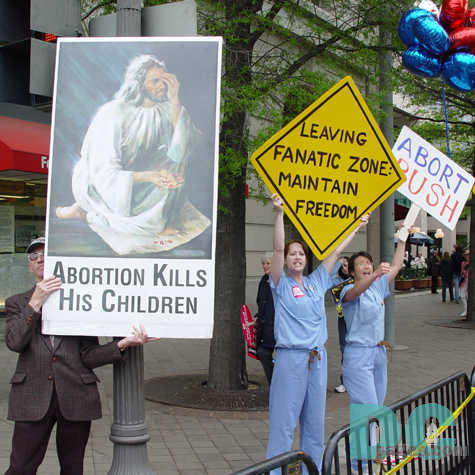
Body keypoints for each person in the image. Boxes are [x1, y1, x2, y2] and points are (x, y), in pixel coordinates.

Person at [4, 237, 157, 475]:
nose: (41, 259)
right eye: (34, 257)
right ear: (30, 267)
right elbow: (15, 342)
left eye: (46, 253)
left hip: (75, 395)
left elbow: (87, 355)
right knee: (21, 467)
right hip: (31, 397)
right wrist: (36, 301)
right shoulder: (17, 303)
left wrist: (122, 344)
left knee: (73, 468)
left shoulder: (79, 301)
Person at [56, 55, 207, 255]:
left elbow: (182, 149)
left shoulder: (165, 110)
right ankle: (85, 212)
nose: (161, 85)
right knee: (140, 232)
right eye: (154, 81)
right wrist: (149, 176)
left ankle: (155, 219)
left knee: (179, 166)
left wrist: (174, 100)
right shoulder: (115, 112)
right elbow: (104, 171)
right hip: (105, 185)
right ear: (138, 84)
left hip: (142, 180)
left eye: (164, 79)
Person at [266, 194, 369, 474]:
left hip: (318, 360)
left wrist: (357, 226)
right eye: (292, 254)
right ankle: (275, 471)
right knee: (284, 423)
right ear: (286, 260)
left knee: (314, 423)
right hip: (290, 360)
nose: (297, 257)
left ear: (306, 258)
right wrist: (279, 213)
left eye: (301, 253)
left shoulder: (316, 282)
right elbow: (276, 248)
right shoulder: (280, 284)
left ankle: (314, 470)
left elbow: (335, 252)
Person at [340, 224, 412, 474]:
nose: (366, 265)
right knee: (367, 408)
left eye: (368, 262)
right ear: (351, 270)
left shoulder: (378, 286)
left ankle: (371, 459)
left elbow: (396, 265)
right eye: (360, 263)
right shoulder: (349, 290)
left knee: (377, 408)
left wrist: (403, 238)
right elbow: (357, 291)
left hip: (378, 354)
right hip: (358, 355)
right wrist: (374, 276)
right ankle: (358, 464)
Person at [254, 252, 276, 385]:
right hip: (265, 326)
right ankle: (274, 382)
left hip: (278, 326)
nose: (265, 266)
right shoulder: (263, 281)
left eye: (268, 263)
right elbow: (260, 303)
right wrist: (257, 316)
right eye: (264, 263)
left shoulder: (280, 281)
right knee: (262, 353)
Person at [331, 256, 349, 393]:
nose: (345, 268)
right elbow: (328, 278)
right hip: (343, 319)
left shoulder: (357, 280)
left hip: (356, 319)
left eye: (347, 265)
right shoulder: (337, 281)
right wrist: (337, 263)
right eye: (343, 266)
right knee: (345, 350)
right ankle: (345, 381)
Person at [460, 250, 470, 318]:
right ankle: (466, 310)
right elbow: (461, 273)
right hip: (465, 280)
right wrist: (463, 272)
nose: (467, 257)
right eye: (466, 255)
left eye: (468, 255)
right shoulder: (463, 263)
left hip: (470, 280)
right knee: (462, 295)